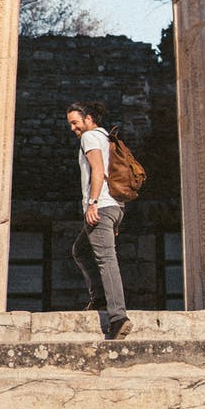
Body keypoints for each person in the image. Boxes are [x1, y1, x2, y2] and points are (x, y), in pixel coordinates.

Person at [66, 100, 131, 340]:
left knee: (106, 260)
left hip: (101, 206)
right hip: (114, 207)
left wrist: (92, 203)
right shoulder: (106, 137)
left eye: (75, 122)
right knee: (81, 250)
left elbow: (98, 170)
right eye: (70, 124)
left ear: (89, 118)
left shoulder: (90, 137)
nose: (73, 128)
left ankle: (118, 317)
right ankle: (100, 297)